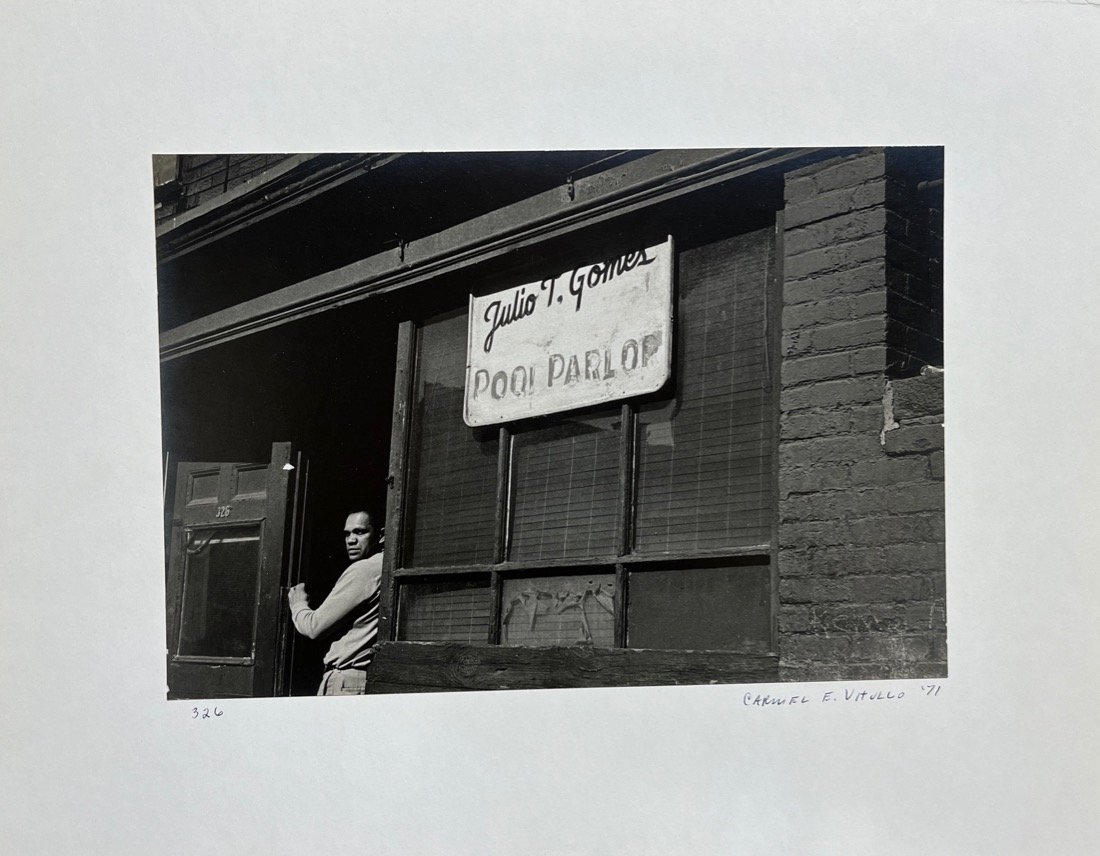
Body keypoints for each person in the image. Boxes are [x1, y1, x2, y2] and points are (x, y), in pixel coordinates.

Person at [287, 509, 383, 696]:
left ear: (380, 535)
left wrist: (298, 603)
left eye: (360, 532)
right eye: (347, 534)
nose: (351, 540)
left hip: (345, 682)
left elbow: (314, 627)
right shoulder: (383, 566)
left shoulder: (363, 570)